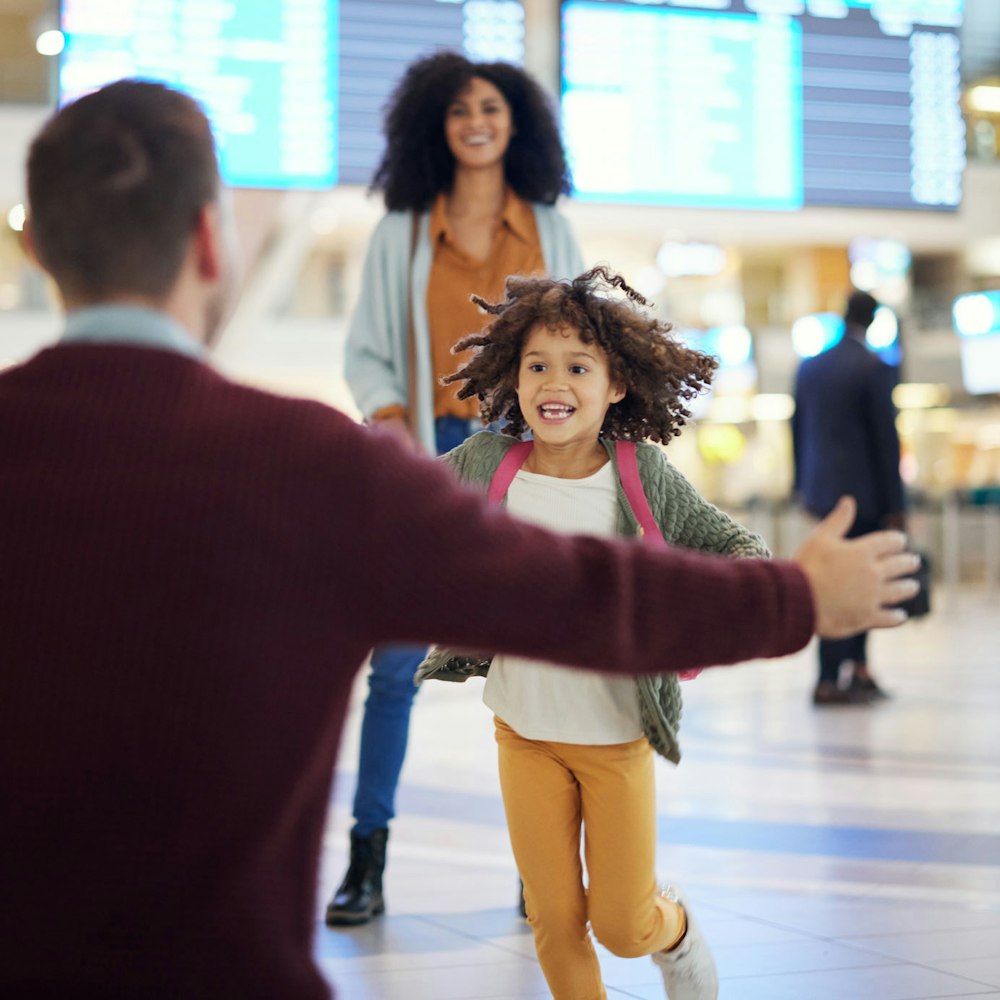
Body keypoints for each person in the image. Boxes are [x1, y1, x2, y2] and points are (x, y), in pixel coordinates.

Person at [2, 79, 918, 999]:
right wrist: (798, 596)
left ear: (34, 243)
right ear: (212, 241)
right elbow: (575, 593)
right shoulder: (309, 469)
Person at [415, 266, 771, 999]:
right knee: (554, 919)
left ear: (615, 386)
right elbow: (404, 503)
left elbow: (741, 553)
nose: (555, 381)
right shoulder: (489, 464)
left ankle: (673, 929)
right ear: (513, 379)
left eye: (579, 367)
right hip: (524, 732)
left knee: (620, 923)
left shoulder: (641, 475)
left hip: (616, 740)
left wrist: (696, 621)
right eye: (537, 365)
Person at [331, 50, 583, 926]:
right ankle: (367, 859)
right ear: (434, 125)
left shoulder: (550, 226)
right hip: (428, 455)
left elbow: (583, 345)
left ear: (518, 123)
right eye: (458, 109)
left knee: (533, 666)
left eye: (492, 106)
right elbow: (367, 347)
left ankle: (541, 869)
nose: (476, 120)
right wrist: (397, 429)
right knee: (394, 663)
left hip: (524, 453)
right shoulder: (401, 229)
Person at [792, 290, 906, 705]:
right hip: (866, 495)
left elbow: (797, 430)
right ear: (873, 321)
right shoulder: (874, 367)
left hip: (822, 492)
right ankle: (836, 675)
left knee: (834, 576)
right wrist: (896, 505)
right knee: (860, 580)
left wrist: (800, 487)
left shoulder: (810, 366)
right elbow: (884, 442)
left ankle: (848, 670)